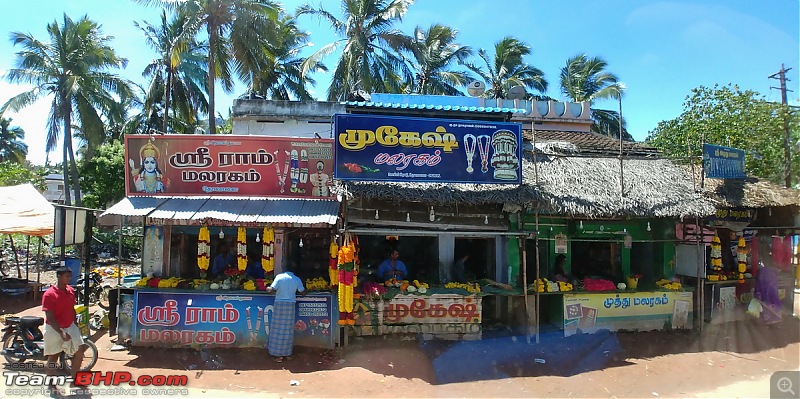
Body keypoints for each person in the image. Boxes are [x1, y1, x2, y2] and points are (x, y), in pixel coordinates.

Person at [42, 267, 87, 393]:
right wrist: (61, 332)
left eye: (69, 276)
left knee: (79, 351)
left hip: (70, 325)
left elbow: (72, 308)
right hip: (54, 328)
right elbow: (49, 316)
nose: (69, 278)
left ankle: (74, 380)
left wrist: (75, 324)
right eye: (66, 276)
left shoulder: (71, 291)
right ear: (59, 277)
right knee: (53, 356)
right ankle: (51, 384)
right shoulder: (49, 294)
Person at [265, 265, 306, 362]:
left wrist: (267, 288)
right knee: (288, 330)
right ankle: (287, 354)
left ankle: (276, 354)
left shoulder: (279, 277)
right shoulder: (296, 279)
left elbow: (271, 290)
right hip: (290, 305)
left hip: (279, 304)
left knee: (277, 329)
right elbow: (303, 292)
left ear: (284, 269)